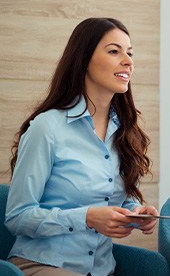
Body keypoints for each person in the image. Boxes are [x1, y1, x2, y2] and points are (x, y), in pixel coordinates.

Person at [5, 17, 159, 276]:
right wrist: (86, 217)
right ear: (84, 59)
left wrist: (135, 212)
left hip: (102, 269)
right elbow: (17, 216)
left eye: (129, 53)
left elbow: (116, 198)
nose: (128, 61)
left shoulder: (124, 131)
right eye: (114, 51)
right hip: (42, 264)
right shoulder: (47, 128)